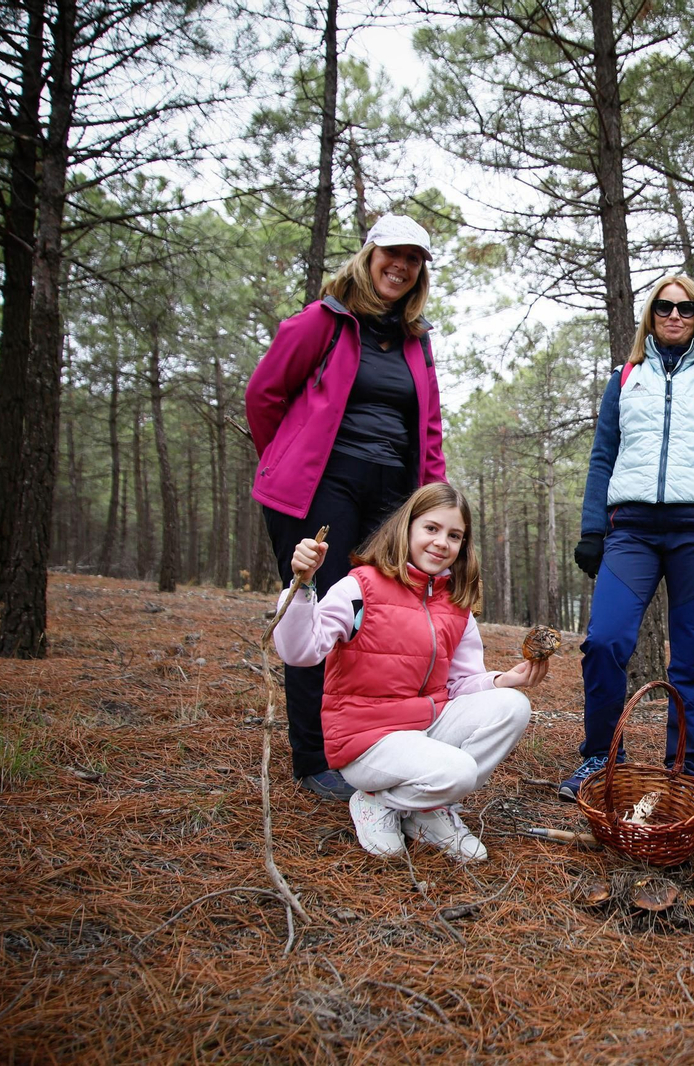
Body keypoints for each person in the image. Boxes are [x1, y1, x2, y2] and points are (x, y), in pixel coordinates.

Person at [246, 215, 447, 802]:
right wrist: (287, 460)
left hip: (392, 494)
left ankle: (363, 743)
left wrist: (429, 504)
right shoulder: (324, 320)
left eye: (414, 259)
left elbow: (428, 427)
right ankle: (312, 757)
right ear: (369, 255)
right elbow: (265, 395)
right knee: (318, 613)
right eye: (393, 253)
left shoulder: (418, 339)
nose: (401, 266)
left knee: (376, 620)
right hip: (322, 488)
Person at [271, 482, 546, 861]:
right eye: (431, 529)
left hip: (423, 728)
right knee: (461, 772)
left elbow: (460, 683)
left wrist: (503, 680)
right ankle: (377, 804)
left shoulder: (455, 604)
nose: (441, 543)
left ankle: (423, 808)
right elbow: (300, 651)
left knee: (513, 705)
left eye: (454, 535)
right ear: (407, 528)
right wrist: (302, 586)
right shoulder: (360, 586)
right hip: (365, 739)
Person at [562, 275, 694, 800]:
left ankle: (683, 774)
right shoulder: (626, 377)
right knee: (604, 642)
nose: (674, 315)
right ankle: (601, 759)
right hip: (632, 532)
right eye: (664, 307)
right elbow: (602, 456)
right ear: (650, 315)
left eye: (686, 308)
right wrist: (591, 529)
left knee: (691, 659)